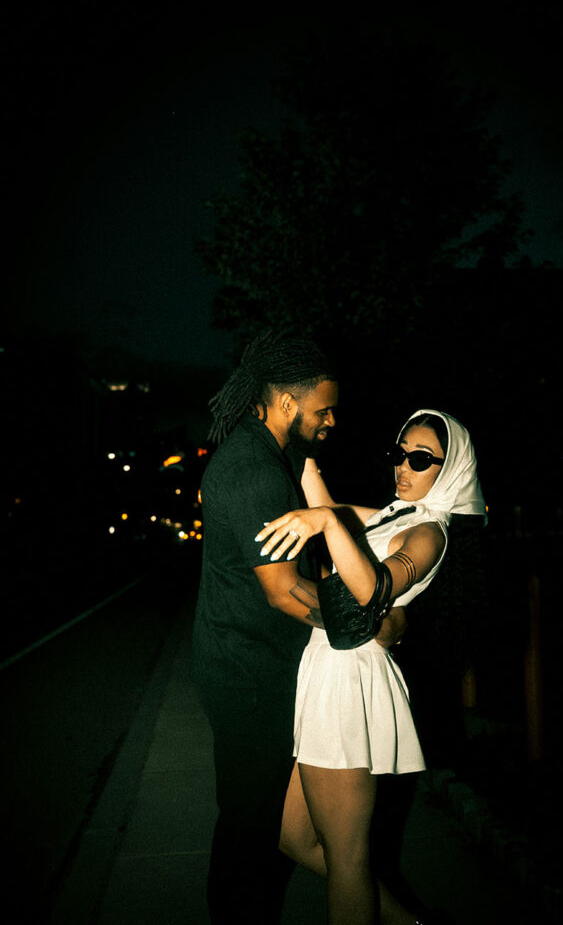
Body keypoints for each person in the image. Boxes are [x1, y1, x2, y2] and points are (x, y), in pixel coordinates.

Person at [190, 332, 406, 924]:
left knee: (270, 829)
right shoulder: (252, 468)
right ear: (288, 403)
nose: (333, 418)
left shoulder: (278, 456)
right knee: (249, 829)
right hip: (248, 673)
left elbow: (330, 515)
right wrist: (366, 625)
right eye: (324, 408)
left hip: (266, 665)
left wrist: (406, 520)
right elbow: (284, 590)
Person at [256, 409, 486, 925]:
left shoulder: (431, 531)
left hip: (350, 681)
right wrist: (289, 429)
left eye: (421, 458)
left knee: (347, 858)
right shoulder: (393, 515)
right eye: (398, 454)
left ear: (451, 471)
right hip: (327, 670)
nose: (403, 466)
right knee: (293, 838)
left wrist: (330, 522)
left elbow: (375, 590)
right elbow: (321, 498)